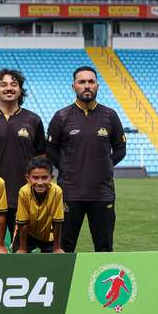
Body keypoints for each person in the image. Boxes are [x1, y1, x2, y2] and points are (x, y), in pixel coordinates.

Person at [46, 66, 127, 253]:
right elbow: (51, 149)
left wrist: (104, 166)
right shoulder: (62, 116)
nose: (87, 86)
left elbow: (121, 149)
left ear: (98, 86)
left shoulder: (110, 115)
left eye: (91, 82)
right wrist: (67, 168)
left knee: (104, 247)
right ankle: (63, 282)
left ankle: (100, 283)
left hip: (102, 193)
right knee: (63, 248)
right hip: (69, 193)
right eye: (82, 82)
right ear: (73, 86)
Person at [0, 69, 45, 243]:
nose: (9, 88)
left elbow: (42, 156)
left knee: (23, 249)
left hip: (25, 195)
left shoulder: (33, 120)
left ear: (20, 90)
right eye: (3, 84)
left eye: (14, 84)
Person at [14, 156, 64, 254]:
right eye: (35, 178)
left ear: (51, 178)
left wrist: (56, 248)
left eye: (44, 177)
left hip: (49, 235)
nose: (40, 182)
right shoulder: (24, 192)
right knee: (18, 260)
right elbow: (23, 223)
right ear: (28, 178)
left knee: (57, 260)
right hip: (27, 235)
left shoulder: (57, 191)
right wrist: (22, 249)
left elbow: (57, 222)